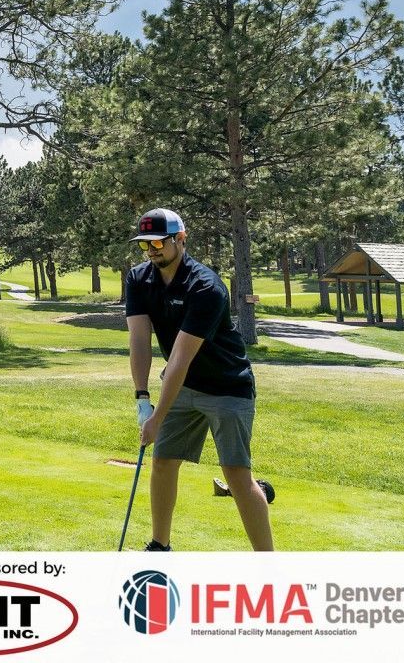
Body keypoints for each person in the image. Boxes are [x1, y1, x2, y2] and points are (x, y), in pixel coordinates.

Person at [124, 208, 273, 551]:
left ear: (180, 239)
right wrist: (142, 399)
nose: (152, 251)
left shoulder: (205, 286)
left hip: (226, 386)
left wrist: (158, 418)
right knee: (163, 461)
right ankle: (160, 547)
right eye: (145, 245)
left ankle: (268, 565)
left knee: (236, 473)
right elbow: (138, 342)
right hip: (182, 386)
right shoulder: (138, 279)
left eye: (159, 243)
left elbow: (180, 357)